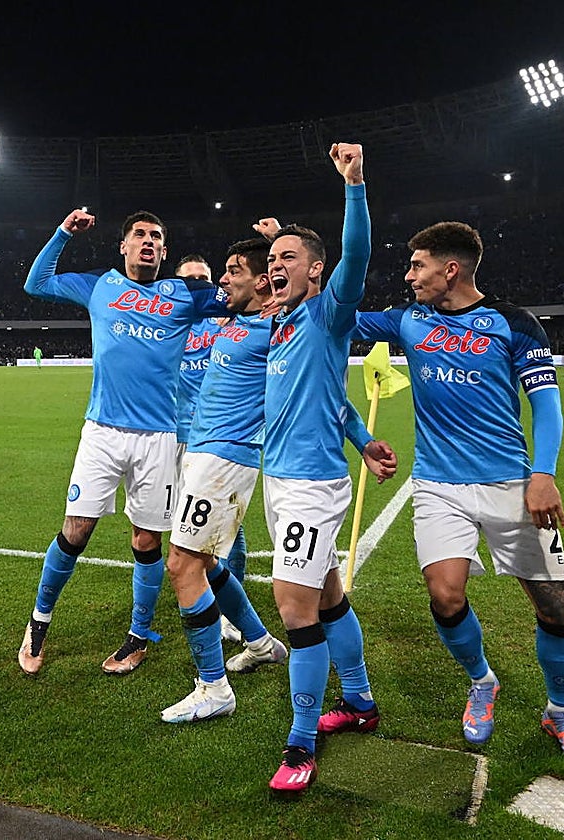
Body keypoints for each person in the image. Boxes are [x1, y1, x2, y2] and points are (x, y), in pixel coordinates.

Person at [352, 221, 564, 768]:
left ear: (450, 269)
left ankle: (560, 711)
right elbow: (339, 316)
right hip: (440, 486)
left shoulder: (514, 323)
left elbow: (546, 405)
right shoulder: (407, 320)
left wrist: (544, 473)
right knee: (445, 595)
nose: (409, 275)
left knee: (554, 606)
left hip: (511, 483)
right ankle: (482, 682)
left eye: (417, 265)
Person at [162, 237, 396, 725]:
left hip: (229, 459)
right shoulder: (243, 322)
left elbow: (326, 389)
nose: (222, 280)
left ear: (262, 284)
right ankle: (266, 645)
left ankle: (214, 687)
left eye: (232, 271)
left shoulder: (274, 325)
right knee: (213, 565)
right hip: (206, 454)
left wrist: (363, 439)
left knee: (184, 566)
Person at [16, 209, 231, 677]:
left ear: (165, 251)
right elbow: (37, 282)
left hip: (158, 438)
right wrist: (62, 233)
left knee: (146, 539)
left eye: (157, 236)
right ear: (124, 246)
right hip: (102, 432)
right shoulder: (101, 285)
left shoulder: (187, 294)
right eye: (140, 235)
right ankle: (38, 623)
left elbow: (241, 298)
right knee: (76, 530)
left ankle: (138, 635)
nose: (148, 241)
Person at [260, 143, 382, 794]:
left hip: (310, 485)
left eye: (288, 258)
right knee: (329, 596)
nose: (275, 266)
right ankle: (360, 704)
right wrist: (363, 438)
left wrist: (354, 186)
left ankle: (301, 743)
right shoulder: (280, 328)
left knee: (293, 606)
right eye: (272, 259)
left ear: (317, 270)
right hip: (278, 482)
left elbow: (356, 256)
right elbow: (330, 401)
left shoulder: (328, 315)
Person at [173, 254, 247, 644]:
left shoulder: (231, 319)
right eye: (190, 281)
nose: (200, 286)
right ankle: (196, 591)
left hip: (220, 434)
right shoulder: (170, 320)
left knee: (228, 526)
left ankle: (230, 608)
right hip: (174, 434)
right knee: (181, 524)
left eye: (205, 278)